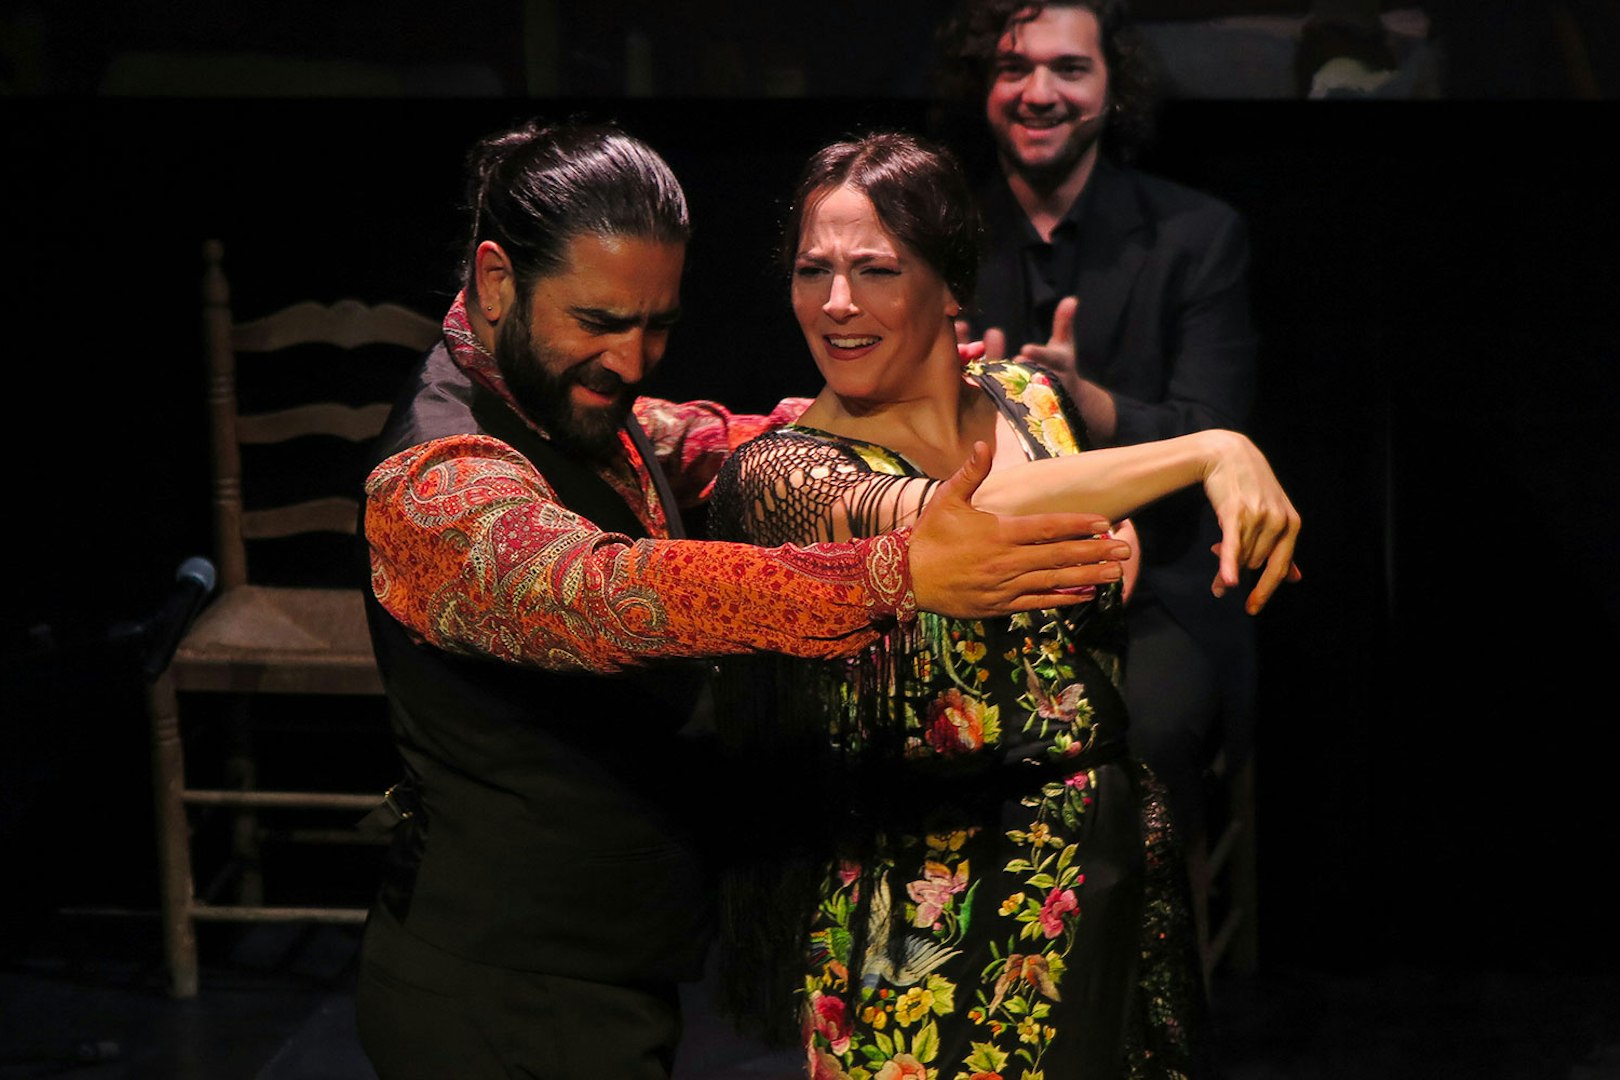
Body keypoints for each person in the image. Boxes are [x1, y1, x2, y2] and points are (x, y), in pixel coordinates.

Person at [351, 118, 1139, 1080]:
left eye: (658, 326)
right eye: (600, 323)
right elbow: (602, 591)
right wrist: (894, 572)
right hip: (493, 1000)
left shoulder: (583, 403)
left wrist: (1004, 450)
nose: (633, 361)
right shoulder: (435, 484)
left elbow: (756, 444)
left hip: (614, 977)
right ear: (497, 281)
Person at [706, 132, 1299, 1079]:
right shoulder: (784, 473)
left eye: (876, 270)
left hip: (1105, 871)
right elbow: (961, 522)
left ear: (952, 290)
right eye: (812, 269)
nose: (836, 303)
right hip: (930, 915)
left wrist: (1113, 531)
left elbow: (1055, 505)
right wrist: (1212, 448)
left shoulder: (1028, 401)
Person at [934, 0, 1272, 929]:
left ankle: (1124, 996)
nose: (1039, 92)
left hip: (1162, 583)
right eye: (1014, 68)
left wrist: (1085, 406)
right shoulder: (937, 234)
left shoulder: (1196, 235)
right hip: (990, 576)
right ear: (985, 87)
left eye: (1069, 69)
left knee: (1136, 741)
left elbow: (1215, 429)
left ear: (1111, 87)